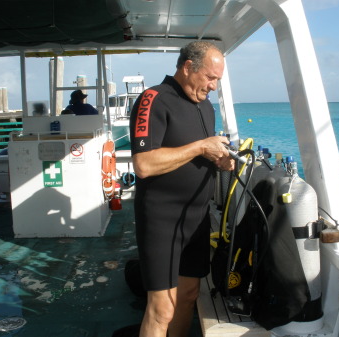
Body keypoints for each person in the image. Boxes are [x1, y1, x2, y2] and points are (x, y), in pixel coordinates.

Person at [129, 41, 235, 337]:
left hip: (197, 218)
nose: (213, 86)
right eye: (210, 78)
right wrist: (202, 146)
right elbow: (144, 164)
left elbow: (198, 154)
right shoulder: (154, 99)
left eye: (217, 80)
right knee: (161, 308)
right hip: (163, 219)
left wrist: (220, 161)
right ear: (188, 67)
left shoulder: (206, 107)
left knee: (189, 295)